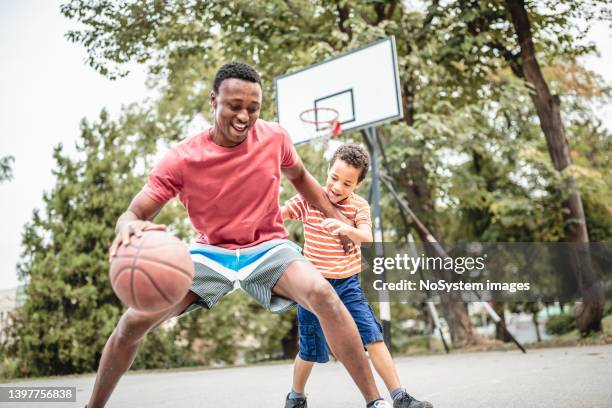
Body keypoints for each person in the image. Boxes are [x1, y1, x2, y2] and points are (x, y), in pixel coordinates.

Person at [86, 62, 391, 408]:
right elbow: (135, 211)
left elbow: (303, 177)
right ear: (213, 100)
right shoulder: (182, 158)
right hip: (211, 250)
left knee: (322, 293)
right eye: (234, 105)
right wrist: (126, 225)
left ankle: (374, 403)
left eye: (253, 107)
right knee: (132, 322)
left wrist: (337, 219)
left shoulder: (274, 137)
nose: (244, 116)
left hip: (267, 245)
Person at [281, 144, 433, 408]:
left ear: (358, 185)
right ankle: (296, 396)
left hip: (348, 285)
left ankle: (400, 396)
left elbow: (367, 237)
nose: (337, 187)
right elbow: (277, 216)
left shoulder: (357, 206)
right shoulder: (308, 199)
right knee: (310, 350)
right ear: (327, 171)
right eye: (334, 178)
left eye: (347, 183)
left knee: (373, 337)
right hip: (314, 288)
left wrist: (343, 226)